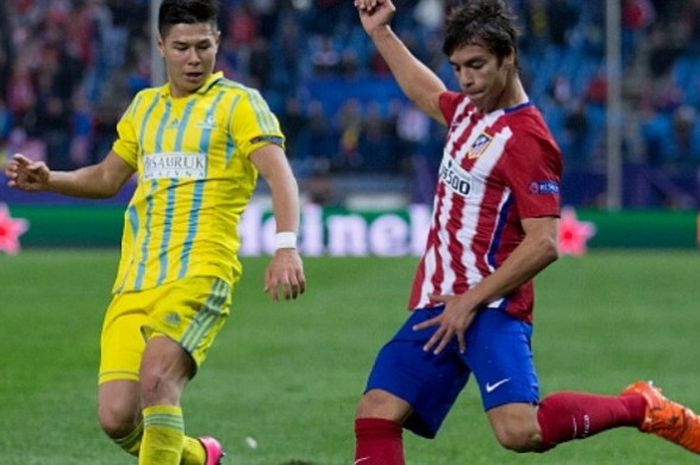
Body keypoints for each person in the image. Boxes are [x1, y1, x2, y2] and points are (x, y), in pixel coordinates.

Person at [352, 0, 700, 463]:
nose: (466, 80)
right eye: (457, 68)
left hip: (491, 306)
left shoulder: (528, 140)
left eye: (476, 66)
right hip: (440, 303)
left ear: (508, 58)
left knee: (520, 432)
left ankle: (641, 407)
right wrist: (381, 34)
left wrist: (470, 302)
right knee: (376, 413)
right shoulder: (467, 112)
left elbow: (545, 242)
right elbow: (426, 93)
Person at [4, 1, 306, 464]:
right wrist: (50, 179)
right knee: (117, 417)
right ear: (161, 46)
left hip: (200, 273)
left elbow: (280, 175)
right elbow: (107, 178)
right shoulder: (145, 108)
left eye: (204, 46)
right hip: (134, 281)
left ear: (218, 43)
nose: (193, 58)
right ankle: (198, 456)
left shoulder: (239, 104)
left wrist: (286, 246)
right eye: (182, 47)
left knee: (157, 381)